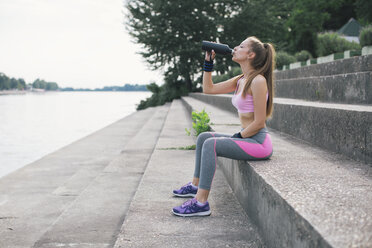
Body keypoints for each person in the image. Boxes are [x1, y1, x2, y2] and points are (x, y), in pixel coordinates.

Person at [172, 36, 275, 217]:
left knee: (212, 144)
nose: (235, 47)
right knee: (204, 136)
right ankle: (195, 186)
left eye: (241, 46)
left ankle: (201, 202)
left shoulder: (258, 81)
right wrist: (208, 64)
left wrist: (238, 136)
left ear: (250, 55)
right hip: (247, 137)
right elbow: (209, 89)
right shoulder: (242, 79)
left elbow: (259, 122)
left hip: (258, 142)